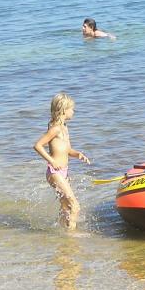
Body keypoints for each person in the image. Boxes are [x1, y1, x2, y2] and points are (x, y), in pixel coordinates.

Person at [33, 92, 90, 230]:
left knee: (65, 207)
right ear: (64, 110)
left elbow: (68, 149)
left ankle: (61, 231)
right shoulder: (55, 129)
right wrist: (52, 161)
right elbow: (38, 145)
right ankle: (71, 236)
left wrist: (78, 154)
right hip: (54, 172)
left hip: (63, 172)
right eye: (72, 109)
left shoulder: (64, 127)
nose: (73, 111)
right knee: (75, 206)